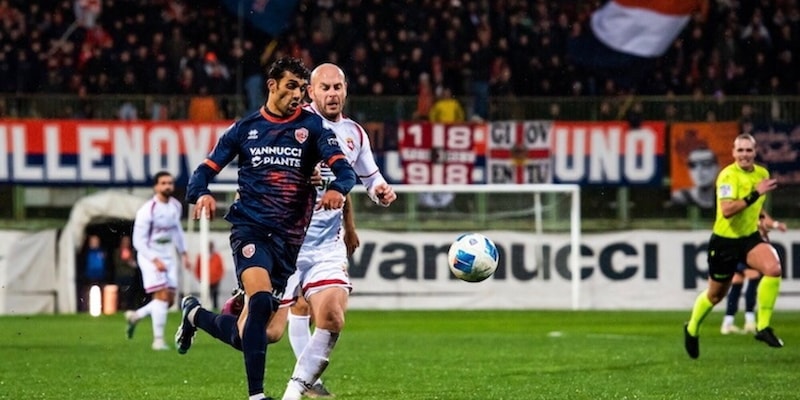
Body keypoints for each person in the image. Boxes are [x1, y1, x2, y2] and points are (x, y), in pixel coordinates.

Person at [174, 57, 361, 400]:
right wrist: (200, 193)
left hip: (289, 242)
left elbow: (345, 170)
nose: (297, 95)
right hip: (251, 229)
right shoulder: (245, 129)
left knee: (259, 333)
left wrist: (337, 188)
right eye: (291, 86)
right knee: (260, 301)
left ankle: (195, 315)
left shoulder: (313, 128)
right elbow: (202, 172)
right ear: (272, 85)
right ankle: (257, 396)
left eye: (302, 89)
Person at [268, 63, 396, 400]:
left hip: (326, 244)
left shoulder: (355, 133)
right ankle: (202, 317)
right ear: (310, 92)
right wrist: (297, 174)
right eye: (324, 88)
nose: (332, 93)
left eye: (337, 87)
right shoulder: (293, 124)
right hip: (285, 241)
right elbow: (266, 167)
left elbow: (369, 177)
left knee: (332, 316)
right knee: (267, 333)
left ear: (345, 90)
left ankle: (296, 390)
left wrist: (380, 191)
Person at [684, 133, 786, 359]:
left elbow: (756, 207)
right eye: (740, 150)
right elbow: (728, 210)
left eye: (748, 150)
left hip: (749, 238)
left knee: (773, 268)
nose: (744, 155)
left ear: (755, 152)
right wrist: (755, 193)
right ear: (733, 153)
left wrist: (767, 223)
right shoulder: (728, 176)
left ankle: (763, 327)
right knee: (715, 296)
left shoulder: (762, 174)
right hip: (725, 242)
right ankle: (691, 328)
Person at [126, 171, 191, 351]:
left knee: (168, 301)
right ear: (156, 187)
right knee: (161, 297)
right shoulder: (148, 210)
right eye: (163, 183)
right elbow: (138, 241)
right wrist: (154, 260)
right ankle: (158, 340)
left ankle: (136, 316)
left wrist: (184, 253)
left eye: (170, 183)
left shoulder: (176, 206)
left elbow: (177, 231)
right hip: (150, 256)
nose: (167, 186)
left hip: (168, 255)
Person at [720, 214, 785, 335]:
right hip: (745, 252)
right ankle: (749, 321)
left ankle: (728, 322)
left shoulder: (746, 216)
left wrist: (774, 225)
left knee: (737, 283)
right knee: (753, 277)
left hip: (735, 251)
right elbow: (764, 219)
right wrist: (774, 225)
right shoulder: (751, 220)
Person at [192, 241, 225, 310]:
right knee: (206, 295)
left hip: (215, 280)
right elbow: (197, 268)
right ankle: (205, 308)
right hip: (204, 280)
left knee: (215, 294)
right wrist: (199, 278)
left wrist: (218, 277)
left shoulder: (217, 256)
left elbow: (221, 268)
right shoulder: (201, 256)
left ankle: (215, 308)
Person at [112, 235, 138, 311]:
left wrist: (130, 261)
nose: (126, 243)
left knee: (129, 293)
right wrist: (126, 261)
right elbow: (117, 262)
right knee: (120, 293)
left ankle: (129, 307)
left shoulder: (132, 252)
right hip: (120, 275)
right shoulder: (117, 251)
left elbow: (135, 264)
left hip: (130, 276)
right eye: (124, 241)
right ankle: (119, 307)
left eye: (127, 241)